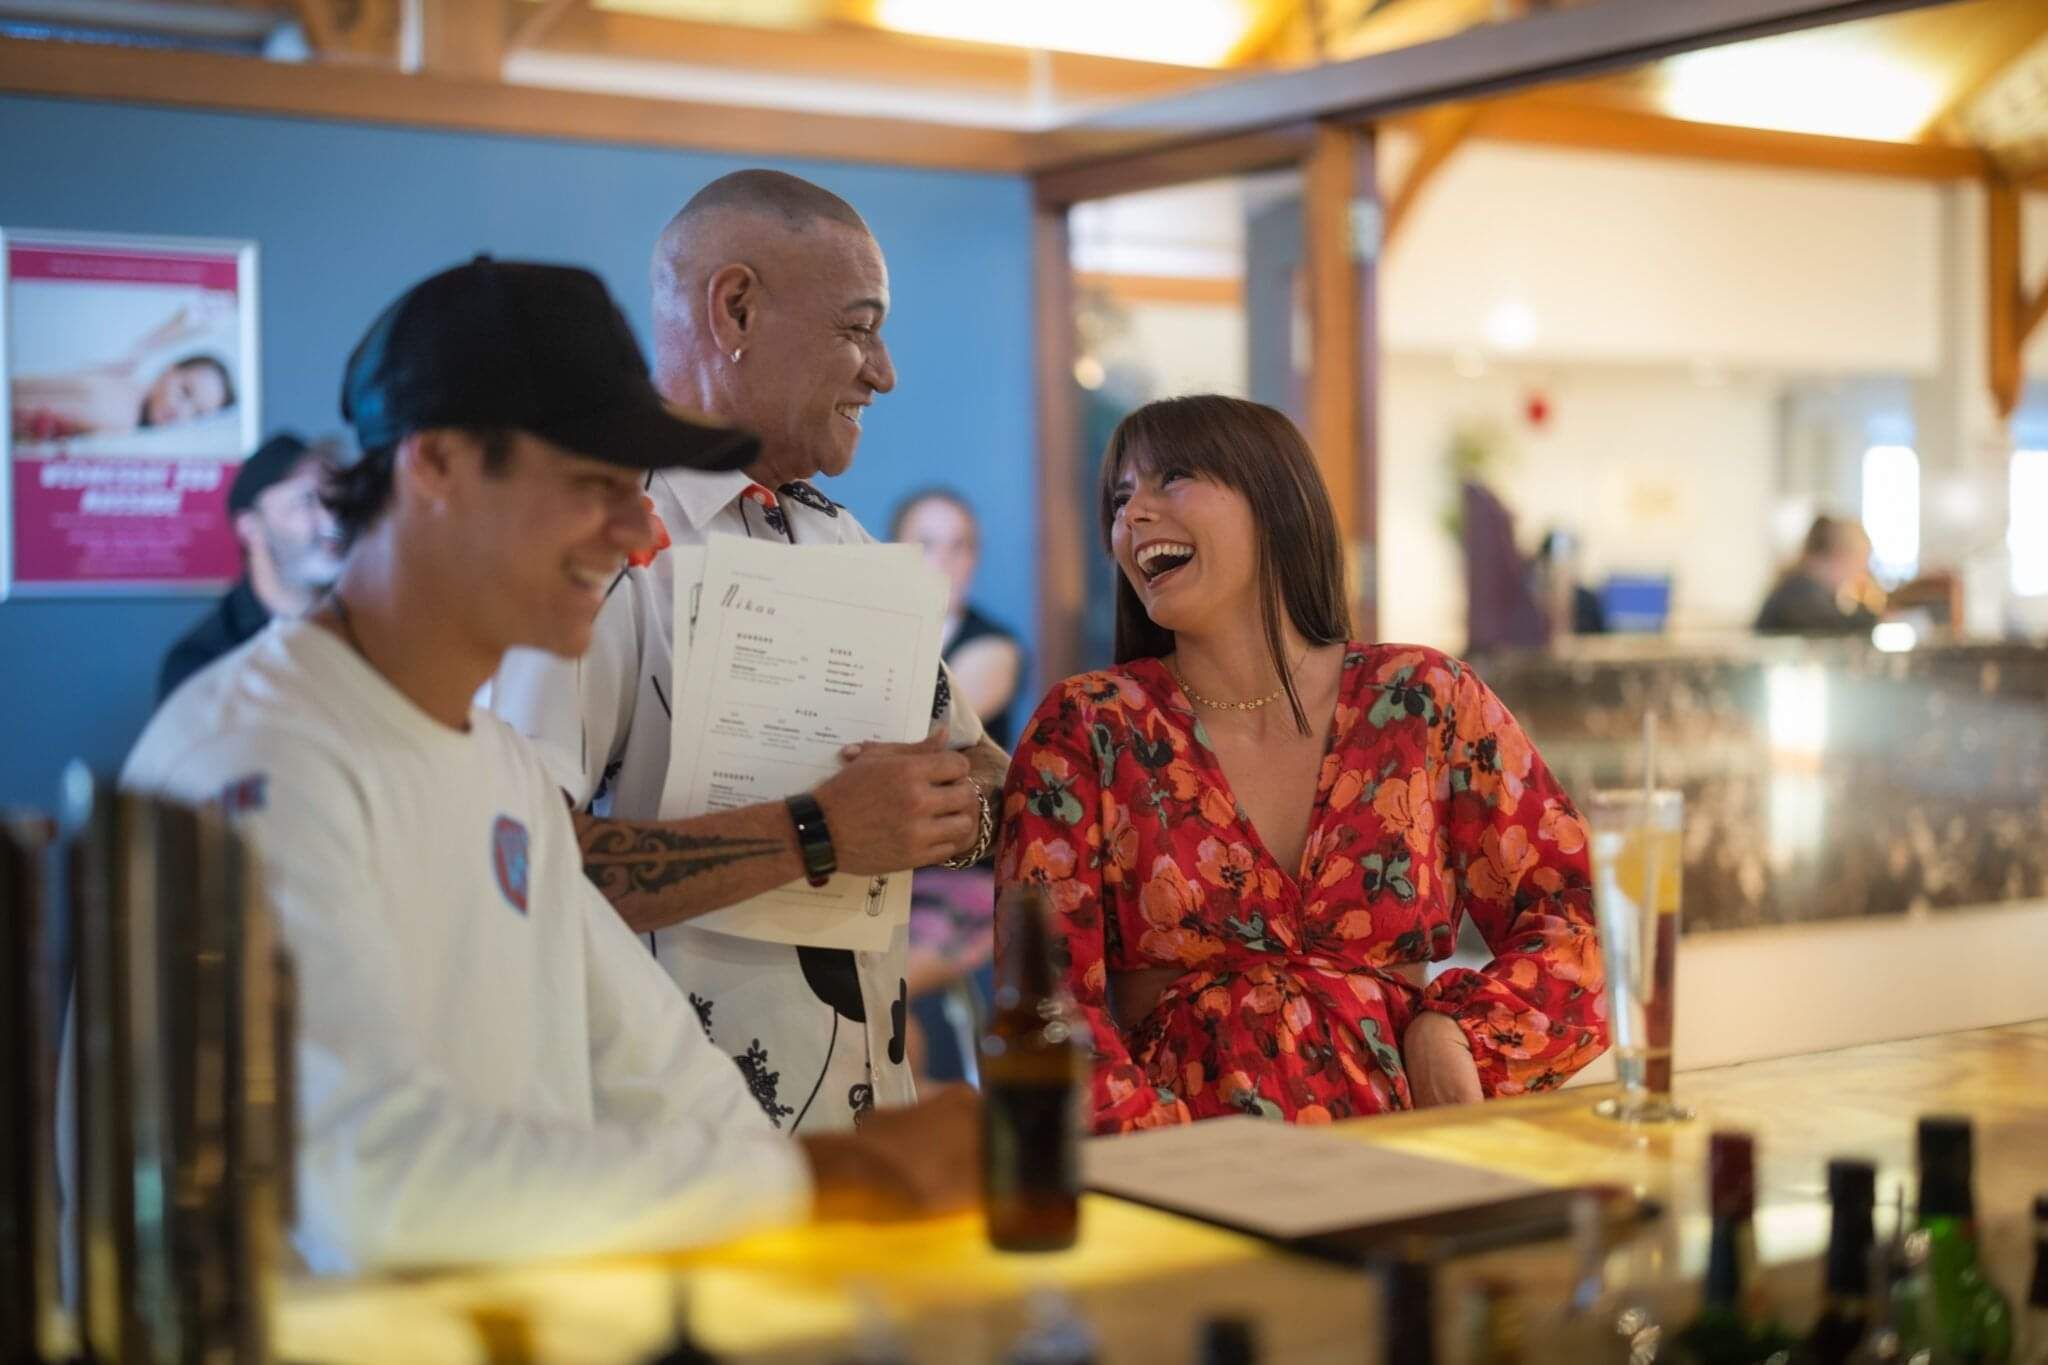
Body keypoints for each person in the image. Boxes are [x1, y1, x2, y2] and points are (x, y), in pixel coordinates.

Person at [119, 258, 979, 1274]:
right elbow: (371, 1184)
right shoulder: (259, 755)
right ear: (433, 464)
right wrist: (830, 1182)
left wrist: (845, 1176)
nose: (641, 533)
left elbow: (658, 1069)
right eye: (593, 487)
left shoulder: (498, 768)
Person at [483, 171, 1009, 1135]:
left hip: (860, 1148)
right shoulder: (604, 545)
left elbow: (990, 791)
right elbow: (514, 867)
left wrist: (948, 814)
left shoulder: (841, 542)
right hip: (667, 1159)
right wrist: (818, 832)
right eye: (860, 327)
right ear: (735, 308)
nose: (883, 371)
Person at [997, 395, 1607, 1134]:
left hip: (1407, 1162)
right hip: (1184, 1185)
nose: (1133, 517)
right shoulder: (1087, 727)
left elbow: (1583, 921)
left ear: (1274, 497)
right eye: (1121, 499)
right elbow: (1046, 1000)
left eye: (1173, 479)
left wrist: (1458, 1033)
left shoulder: (1425, 701)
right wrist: (1173, 1161)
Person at [889, 489, 1028, 1080]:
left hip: (961, 880)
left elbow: (928, 726)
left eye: (961, 544)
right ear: (894, 552)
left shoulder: (993, 647)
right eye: (926, 543)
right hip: (881, 871)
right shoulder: (881, 636)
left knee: (881, 995)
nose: (945, 558)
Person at [158, 431, 345, 702]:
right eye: (307, 500)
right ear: (250, 527)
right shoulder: (202, 662)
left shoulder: (373, 634)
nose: (333, 519)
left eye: (337, 500)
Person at [11, 301, 237, 441]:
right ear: (170, 371)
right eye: (186, 392)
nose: (183, 412)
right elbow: (191, 316)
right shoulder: (124, 369)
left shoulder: (124, 430)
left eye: (197, 414)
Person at [1755, 515, 1882, 635]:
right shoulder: (1799, 589)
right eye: (1859, 561)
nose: (1862, 571)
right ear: (1839, 556)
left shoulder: (1813, 588)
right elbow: (1832, 629)